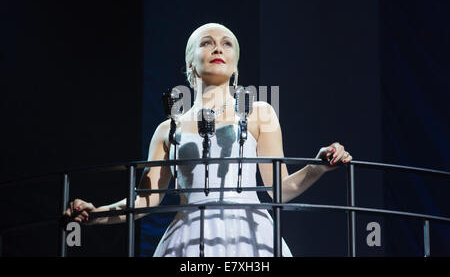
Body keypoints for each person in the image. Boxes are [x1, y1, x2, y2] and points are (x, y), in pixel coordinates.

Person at [63, 23, 353, 257]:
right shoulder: (168, 129)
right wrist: (96, 214)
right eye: (207, 42)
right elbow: (146, 200)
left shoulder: (259, 113)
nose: (217, 47)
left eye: (227, 43)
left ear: (235, 65)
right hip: (187, 240)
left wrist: (319, 166)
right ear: (190, 63)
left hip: (251, 237)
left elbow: (281, 190)